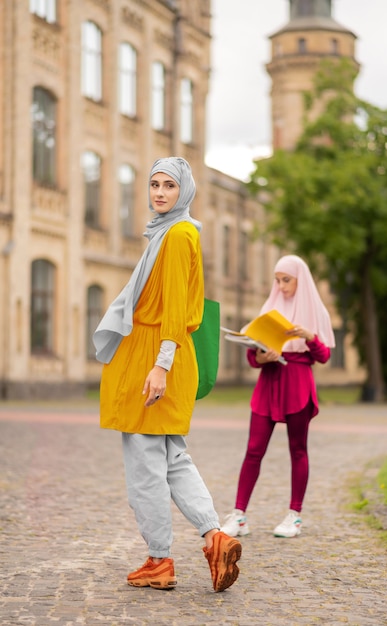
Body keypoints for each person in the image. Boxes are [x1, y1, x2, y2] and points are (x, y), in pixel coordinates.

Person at [93, 157, 241, 591]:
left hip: (157, 358)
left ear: (185, 191)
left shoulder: (177, 235)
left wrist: (160, 365)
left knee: (144, 465)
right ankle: (215, 538)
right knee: (173, 458)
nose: (159, 193)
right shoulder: (171, 232)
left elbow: (175, 306)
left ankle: (159, 560)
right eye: (154, 184)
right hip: (160, 355)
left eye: (170, 186)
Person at [221, 254, 335, 539]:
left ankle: (294, 516)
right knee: (254, 449)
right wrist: (262, 355)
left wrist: (309, 336)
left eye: (286, 280)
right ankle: (239, 515)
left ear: (300, 280)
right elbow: (252, 357)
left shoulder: (315, 312)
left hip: (298, 383)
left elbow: (323, 357)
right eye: (277, 280)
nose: (281, 286)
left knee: (298, 449)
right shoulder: (269, 308)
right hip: (269, 383)